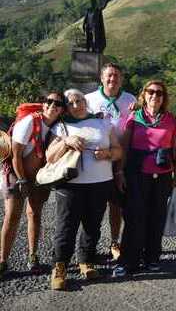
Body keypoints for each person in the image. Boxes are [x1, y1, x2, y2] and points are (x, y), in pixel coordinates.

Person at [46, 89, 122, 290]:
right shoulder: (61, 127)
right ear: (66, 106)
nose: (75, 105)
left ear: (85, 102)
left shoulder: (104, 123)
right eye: (70, 102)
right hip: (70, 185)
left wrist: (107, 153)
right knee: (66, 227)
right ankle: (59, 266)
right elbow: (50, 157)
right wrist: (66, 141)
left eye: (78, 100)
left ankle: (85, 260)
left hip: (101, 182)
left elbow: (118, 151)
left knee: (92, 225)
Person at [112, 80, 176, 277]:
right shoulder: (135, 117)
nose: (155, 96)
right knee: (134, 217)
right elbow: (124, 147)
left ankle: (152, 258)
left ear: (163, 98)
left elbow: (174, 148)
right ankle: (128, 261)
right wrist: (120, 172)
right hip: (137, 173)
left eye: (159, 93)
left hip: (163, 175)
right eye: (150, 92)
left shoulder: (170, 119)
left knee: (156, 217)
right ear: (144, 94)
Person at [0, 92, 65, 278]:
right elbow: (16, 153)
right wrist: (21, 179)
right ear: (43, 104)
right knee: (12, 216)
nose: (53, 105)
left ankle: (33, 257)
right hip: (15, 173)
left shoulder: (57, 126)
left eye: (58, 103)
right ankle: (2, 260)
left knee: (34, 214)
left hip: (38, 176)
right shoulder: (30, 121)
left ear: (62, 109)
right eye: (49, 101)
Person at [85, 62, 136, 261]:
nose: (112, 79)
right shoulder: (89, 100)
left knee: (117, 203)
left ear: (121, 79)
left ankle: (115, 242)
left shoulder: (130, 99)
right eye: (108, 76)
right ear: (101, 78)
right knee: (94, 205)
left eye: (116, 76)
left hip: (122, 159)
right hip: (96, 158)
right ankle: (89, 246)